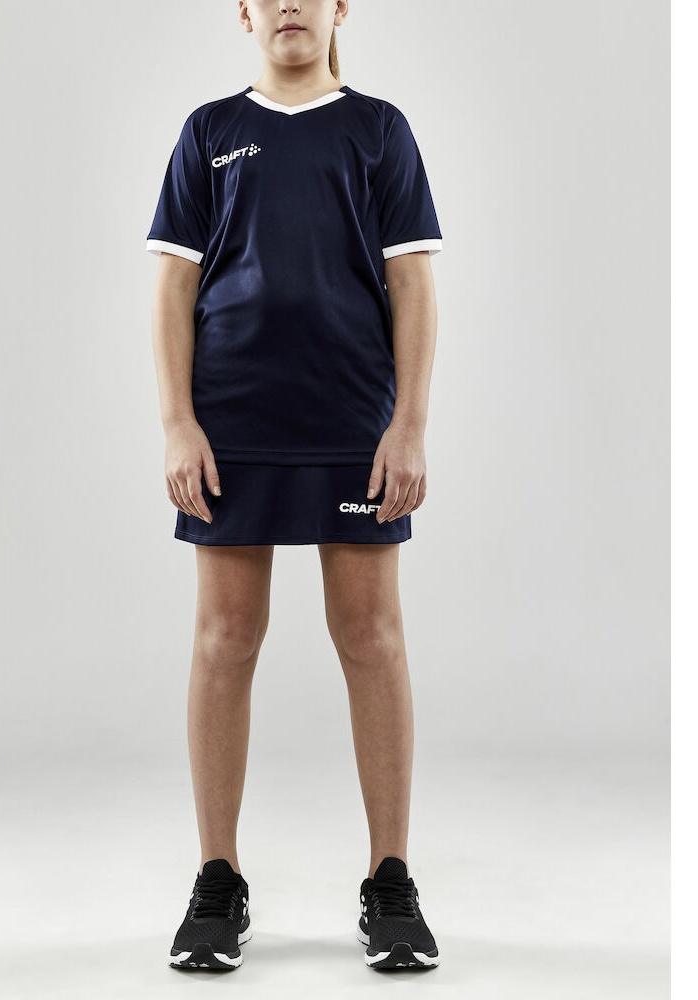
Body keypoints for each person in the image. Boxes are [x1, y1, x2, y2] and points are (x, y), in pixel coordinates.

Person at [147, 0, 442, 971]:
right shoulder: (209, 133)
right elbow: (173, 287)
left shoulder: (379, 131)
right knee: (225, 639)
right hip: (233, 426)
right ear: (242, 11)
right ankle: (217, 879)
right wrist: (179, 423)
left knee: (371, 636)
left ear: (338, 6)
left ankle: (390, 878)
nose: (287, 4)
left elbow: (413, 282)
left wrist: (408, 425)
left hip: (353, 424)